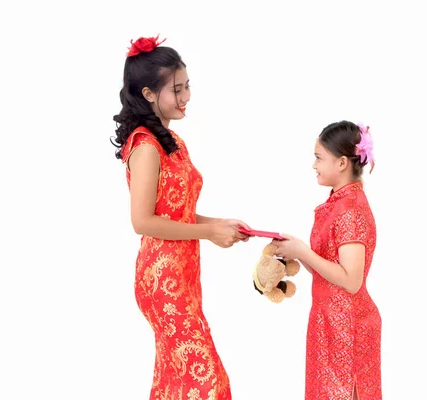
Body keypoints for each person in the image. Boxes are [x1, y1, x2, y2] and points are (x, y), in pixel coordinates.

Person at [111, 35, 250, 400]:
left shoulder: (172, 141)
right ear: (149, 94)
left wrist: (219, 225)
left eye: (188, 86)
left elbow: (178, 212)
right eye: (178, 89)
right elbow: (141, 221)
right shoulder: (145, 146)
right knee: (207, 381)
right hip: (162, 279)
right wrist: (207, 233)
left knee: (176, 380)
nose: (187, 96)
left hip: (184, 271)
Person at [273, 120, 381, 399]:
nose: (314, 165)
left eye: (319, 157)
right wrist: (294, 251)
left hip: (349, 326)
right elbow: (331, 269)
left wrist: (303, 252)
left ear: (342, 162)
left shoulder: (351, 209)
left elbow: (351, 280)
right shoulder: (338, 202)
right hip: (329, 323)